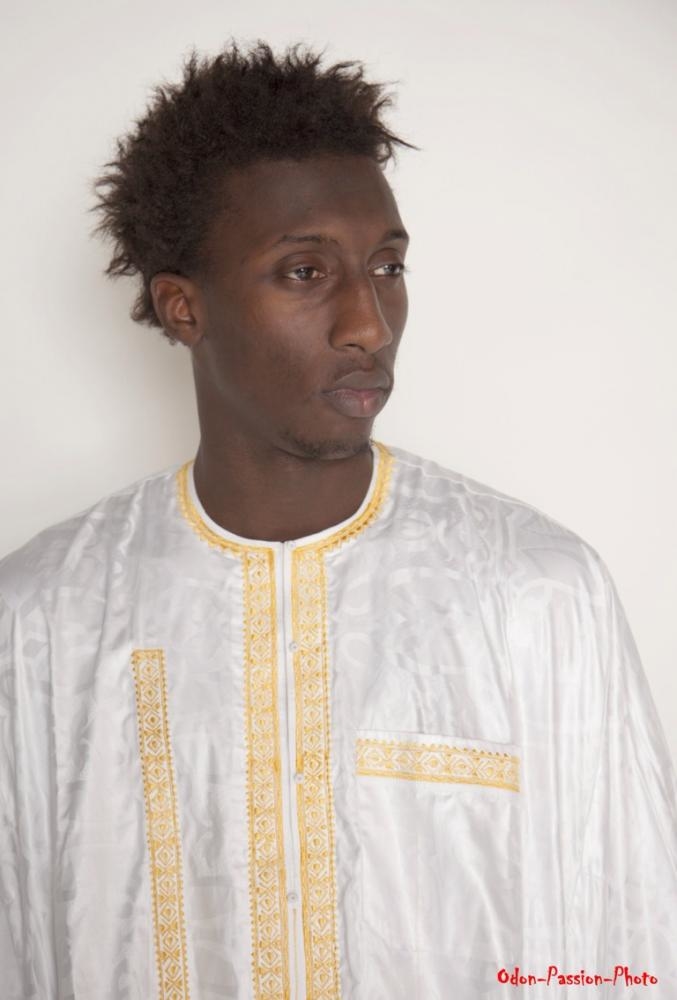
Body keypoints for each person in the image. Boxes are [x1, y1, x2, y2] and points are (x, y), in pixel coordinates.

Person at [1, 39, 675, 1000]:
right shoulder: (42, 621)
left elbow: (632, 942)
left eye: (386, 266)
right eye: (304, 272)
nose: (369, 323)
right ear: (183, 309)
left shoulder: (534, 592)